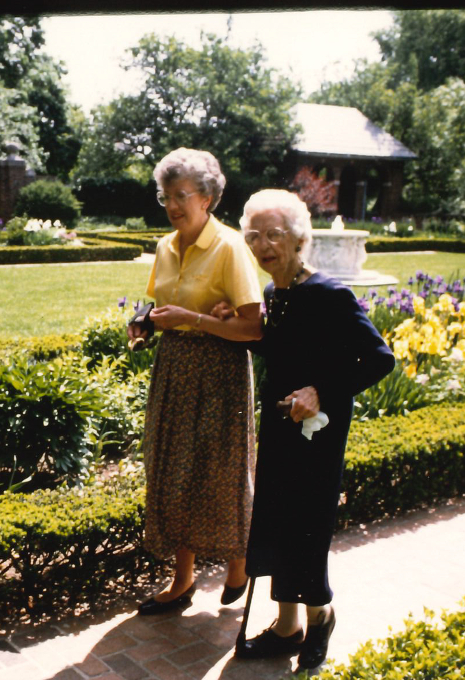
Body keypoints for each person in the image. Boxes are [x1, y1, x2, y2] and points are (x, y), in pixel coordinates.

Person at [218, 189, 395, 670]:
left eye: (274, 234)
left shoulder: (330, 294)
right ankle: (286, 626)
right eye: (254, 236)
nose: (263, 244)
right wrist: (232, 323)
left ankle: (320, 619)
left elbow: (380, 358)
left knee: (307, 529)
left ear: (300, 238)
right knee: (274, 522)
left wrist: (322, 390)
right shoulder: (275, 295)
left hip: (317, 438)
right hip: (279, 431)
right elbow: (282, 349)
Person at [127, 148, 265, 616]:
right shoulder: (166, 246)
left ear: (207, 197)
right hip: (176, 367)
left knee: (221, 470)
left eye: (182, 195)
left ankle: (239, 564)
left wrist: (195, 319)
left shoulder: (230, 247)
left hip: (220, 370)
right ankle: (181, 580)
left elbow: (253, 327)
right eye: (166, 196)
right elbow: (161, 304)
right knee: (174, 470)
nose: (172, 205)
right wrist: (144, 323)